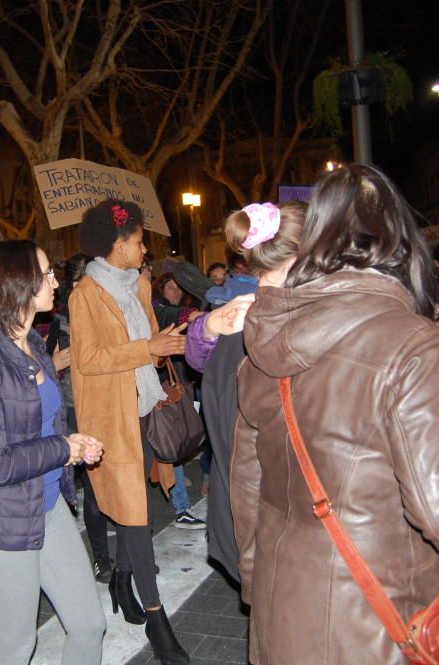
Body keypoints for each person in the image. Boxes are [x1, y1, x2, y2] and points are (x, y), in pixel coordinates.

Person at [232, 165, 439, 665]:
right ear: (397, 240)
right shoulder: (408, 339)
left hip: (283, 601)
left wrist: (257, 577)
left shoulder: (266, 334)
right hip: (371, 611)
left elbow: (246, 480)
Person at [0, 240, 106, 665]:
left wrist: (74, 444)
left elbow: (38, 422)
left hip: (49, 508)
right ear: (17, 283)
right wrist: (60, 449)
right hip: (0, 525)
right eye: (45, 273)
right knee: (18, 645)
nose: (55, 280)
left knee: (89, 625)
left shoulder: (35, 346)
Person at [69, 199, 190, 664]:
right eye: (140, 242)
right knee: (137, 519)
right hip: (110, 420)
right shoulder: (86, 295)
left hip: (144, 409)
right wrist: (147, 348)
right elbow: (89, 360)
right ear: (118, 245)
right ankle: (158, 618)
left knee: (134, 500)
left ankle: (121, 582)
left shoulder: (138, 285)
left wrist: (162, 349)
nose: (145, 251)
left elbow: (149, 349)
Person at [184, 200, 304, 582]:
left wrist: (204, 330)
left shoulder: (237, 319)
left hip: (244, 516)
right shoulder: (287, 328)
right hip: (282, 521)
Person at [45, 254, 113, 582]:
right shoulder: (60, 324)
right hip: (76, 411)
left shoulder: (109, 313)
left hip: (109, 406)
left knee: (111, 483)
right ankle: (101, 558)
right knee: (91, 486)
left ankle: (128, 554)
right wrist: (53, 364)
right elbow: (43, 369)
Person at [150, 273, 204, 530]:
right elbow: (169, 314)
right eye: (171, 287)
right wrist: (190, 315)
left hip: (172, 384)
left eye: (179, 288)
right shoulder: (152, 306)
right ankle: (180, 506)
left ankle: (177, 502)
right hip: (155, 388)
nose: (175, 292)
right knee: (168, 444)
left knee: (171, 445)